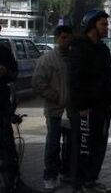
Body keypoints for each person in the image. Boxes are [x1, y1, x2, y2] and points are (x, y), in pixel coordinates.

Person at [69, 10, 111, 193]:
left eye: (107, 24)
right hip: (85, 109)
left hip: (102, 108)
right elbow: (76, 79)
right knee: (83, 147)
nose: (107, 27)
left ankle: (92, 180)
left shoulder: (103, 49)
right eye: (103, 24)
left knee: (99, 145)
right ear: (92, 25)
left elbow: (109, 76)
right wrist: (81, 106)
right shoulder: (79, 47)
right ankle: (79, 184)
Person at [32, 26, 74, 191]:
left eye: (69, 37)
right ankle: (50, 176)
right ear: (57, 38)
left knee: (70, 144)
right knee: (53, 144)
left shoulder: (73, 58)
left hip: (71, 111)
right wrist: (55, 96)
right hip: (54, 110)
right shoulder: (47, 59)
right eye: (64, 37)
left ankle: (66, 172)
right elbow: (38, 83)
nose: (67, 41)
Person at [0, 24, 19, 191]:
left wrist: (6, 72)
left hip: (2, 105)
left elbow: (15, 74)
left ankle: (11, 181)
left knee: (7, 145)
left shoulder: (4, 51)